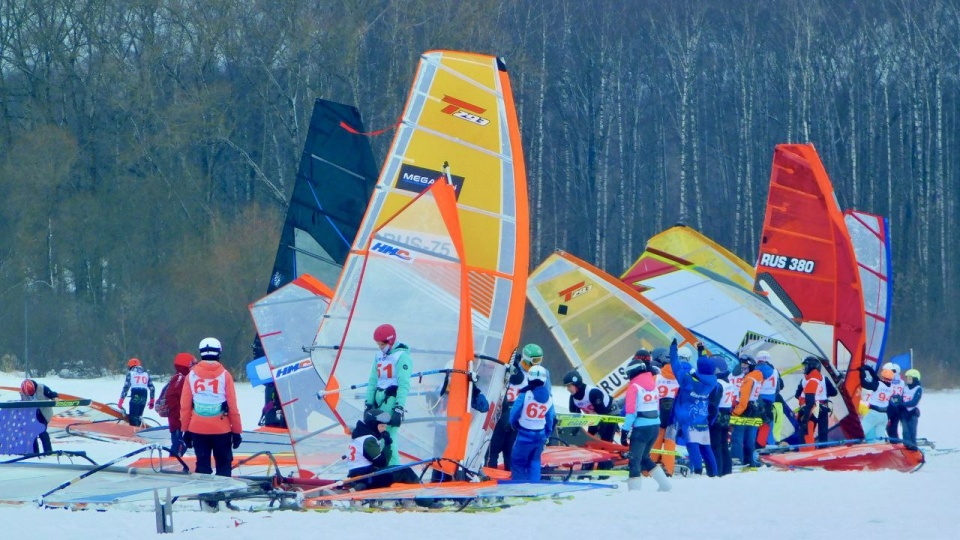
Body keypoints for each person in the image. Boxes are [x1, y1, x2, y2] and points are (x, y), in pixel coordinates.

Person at [180, 337, 243, 484]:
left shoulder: (191, 376)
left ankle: (206, 500)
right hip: (222, 430)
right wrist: (237, 431)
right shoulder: (225, 375)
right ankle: (223, 499)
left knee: (202, 466)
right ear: (219, 353)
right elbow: (233, 406)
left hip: (197, 429)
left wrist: (185, 430)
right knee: (223, 465)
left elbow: (185, 406)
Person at [364, 324, 413, 466]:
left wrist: (399, 408)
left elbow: (404, 385)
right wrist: (368, 404)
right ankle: (379, 470)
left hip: (391, 401)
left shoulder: (402, 357)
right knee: (375, 437)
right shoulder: (378, 356)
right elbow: (373, 381)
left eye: (382, 344)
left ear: (390, 341)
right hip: (377, 401)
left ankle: (394, 470)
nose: (380, 347)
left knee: (388, 438)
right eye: (378, 344)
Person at [621, 354, 671, 492]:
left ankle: (634, 493)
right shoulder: (653, 384)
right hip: (654, 426)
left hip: (641, 429)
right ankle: (665, 485)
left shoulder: (634, 387)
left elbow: (631, 412)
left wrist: (624, 432)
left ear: (632, 372)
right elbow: (657, 407)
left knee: (634, 460)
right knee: (644, 457)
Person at [671, 341, 718, 477]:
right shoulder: (712, 381)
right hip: (702, 417)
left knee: (693, 447)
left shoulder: (687, 380)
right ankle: (714, 473)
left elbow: (675, 365)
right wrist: (701, 350)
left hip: (688, 418)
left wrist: (673, 348)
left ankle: (697, 472)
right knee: (706, 447)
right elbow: (704, 364)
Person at [509, 365, 555, 481]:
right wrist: (547, 433)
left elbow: (514, 412)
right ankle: (534, 487)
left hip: (524, 434)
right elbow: (550, 419)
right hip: (540, 435)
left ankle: (519, 487)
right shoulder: (549, 399)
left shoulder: (525, 395)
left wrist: (512, 424)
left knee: (518, 461)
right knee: (535, 462)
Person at [488, 349, 526, 470]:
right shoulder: (524, 377)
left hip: (501, 412)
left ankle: (490, 475)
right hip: (513, 414)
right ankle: (510, 479)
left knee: (492, 451)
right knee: (509, 453)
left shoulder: (499, 374)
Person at [562, 368, 620, 442]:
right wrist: (573, 432)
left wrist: (599, 432)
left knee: (604, 439)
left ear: (576, 384)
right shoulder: (573, 398)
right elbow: (575, 417)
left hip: (610, 412)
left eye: (569, 386)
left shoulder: (593, 393)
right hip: (595, 416)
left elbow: (603, 415)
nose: (567, 389)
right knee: (590, 438)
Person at [648, 346, 678, 476]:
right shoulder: (680, 379)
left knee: (656, 441)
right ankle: (668, 469)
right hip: (674, 416)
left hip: (658, 414)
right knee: (670, 443)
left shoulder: (656, 378)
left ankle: (649, 469)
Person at [730, 354, 763, 467]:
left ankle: (736, 460)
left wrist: (735, 412)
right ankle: (751, 461)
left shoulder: (748, 379)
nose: (743, 369)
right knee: (750, 438)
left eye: (745, 367)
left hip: (744, 410)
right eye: (742, 366)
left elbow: (743, 400)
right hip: (754, 409)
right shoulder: (757, 377)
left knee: (737, 438)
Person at [161, 352, 195, 457]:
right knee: (178, 443)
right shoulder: (180, 378)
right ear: (186, 365)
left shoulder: (185, 378)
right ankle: (172, 463)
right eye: (192, 365)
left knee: (181, 443)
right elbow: (172, 397)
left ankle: (174, 461)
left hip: (180, 417)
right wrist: (179, 415)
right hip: (177, 418)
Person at [795, 356, 830, 444]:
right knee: (822, 433)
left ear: (810, 367)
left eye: (805, 366)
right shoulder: (822, 379)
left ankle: (809, 453)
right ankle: (822, 451)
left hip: (810, 409)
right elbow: (834, 392)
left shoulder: (809, 380)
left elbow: (805, 399)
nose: (804, 368)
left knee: (807, 434)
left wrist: (804, 419)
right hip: (821, 407)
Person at [19, 379, 58, 453]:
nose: (30, 396)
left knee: (42, 431)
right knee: (31, 433)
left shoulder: (42, 388)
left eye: (32, 393)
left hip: (43, 414)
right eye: (29, 395)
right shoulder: (23, 393)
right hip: (32, 415)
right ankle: (35, 452)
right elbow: (23, 403)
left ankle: (48, 452)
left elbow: (52, 394)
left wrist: (55, 397)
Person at [710, 357, 734, 476]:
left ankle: (718, 470)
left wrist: (710, 418)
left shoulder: (718, 384)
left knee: (716, 445)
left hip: (717, 416)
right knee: (724, 444)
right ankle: (727, 469)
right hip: (727, 415)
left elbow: (714, 403)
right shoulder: (728, 382)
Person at [754, 350, 783, 447]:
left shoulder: (755, 370)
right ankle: (769, 444)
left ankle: (756, 447)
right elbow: (780, 386)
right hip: (770, 402)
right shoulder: (775, 371)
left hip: (757, 401)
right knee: (768, 425)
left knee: (755, 426)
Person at [859, 363, 894, 441]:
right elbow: (876, 378)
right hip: (884, 416)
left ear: (883, 377)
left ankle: (853, 448)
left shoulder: (878, 385)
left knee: (860, 432)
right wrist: (869, 369)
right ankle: (881, 449)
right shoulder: (891, 387)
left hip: (874, 414)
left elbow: (864, 384)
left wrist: (862, 373)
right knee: (880, 437)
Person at [118, 358, 155, 426]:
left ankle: (134, 432)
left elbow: (126, 387)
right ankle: (138, 429)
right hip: (144, 395)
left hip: (136, 394)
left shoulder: (131, 373)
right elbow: (152, 388)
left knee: (133, 416)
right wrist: (152, 400)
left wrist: (121, 400)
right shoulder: (146, 374)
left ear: (130, 366)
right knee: (139, 416)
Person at [899, 369, 923, 450]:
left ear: (915, 379)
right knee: (905, 432)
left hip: (913, 413)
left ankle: (913, 447)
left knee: (912, 431)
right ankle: (906, 447)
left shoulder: (918, 388)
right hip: (904, 413)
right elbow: (901, 399)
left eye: (910, 379)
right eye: (907, 378)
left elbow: (914, 402)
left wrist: (902, 404)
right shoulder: (905, 388)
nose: (908, 380)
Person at [883, 362, 905, 439]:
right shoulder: (902, 382)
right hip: (897, 406)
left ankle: (889, 440)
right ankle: (895, 440)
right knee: (893, 426)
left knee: (883, 424)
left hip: (889, 406)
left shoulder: (888, 381)